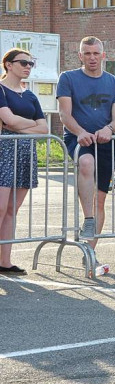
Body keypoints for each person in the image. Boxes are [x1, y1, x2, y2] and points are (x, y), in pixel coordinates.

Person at [57, 37, 115, 248]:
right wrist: (80, 132)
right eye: (87, 53)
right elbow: (64, 114)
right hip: (79, 138)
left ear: (103, 55)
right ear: (80, 56)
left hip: (105, 140)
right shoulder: (68, 78)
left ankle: (90, 251)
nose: (92, 58)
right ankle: (88, 219)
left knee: (101, 200)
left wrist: (109, 129)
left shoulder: (114, 82)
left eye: (96, 53)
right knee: (86, 162)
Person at [0, 49, 48, 275]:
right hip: (3, 151)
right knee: (0, 208)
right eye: (23, 63)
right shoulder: (0, 89)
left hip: (25, 152)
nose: (28, 66)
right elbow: (6, 119)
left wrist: (18, 126)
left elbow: (45, 128)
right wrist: (28, 125)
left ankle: (5, 261)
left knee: (12, 210)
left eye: (31, 63)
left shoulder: (30, 95)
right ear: (8, 65)